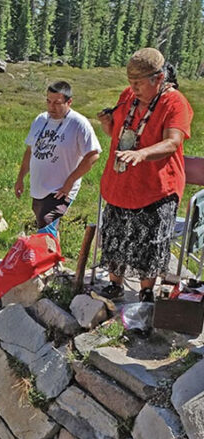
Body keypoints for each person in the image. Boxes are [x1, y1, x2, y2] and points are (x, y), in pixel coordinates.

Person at [97, 48, 193, 302]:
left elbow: (172, 142)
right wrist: (108, 126)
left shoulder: (175, 102)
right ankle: (114, 284)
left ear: (158, 79)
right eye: (130, 83)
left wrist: (142, 155)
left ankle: (146, 290)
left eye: (138, 83)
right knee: (116, 234)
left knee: (149, 242)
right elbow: (123, 134)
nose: (133, 89)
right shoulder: (128, 96)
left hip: (155, 187)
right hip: (121, 182)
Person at [15, 81, 101, 237]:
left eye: (57, 103)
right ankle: (54, 259)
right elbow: (30, 150)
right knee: (46, 227)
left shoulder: (79, 124)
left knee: (46, 225)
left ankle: (47, 260)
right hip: (39, 187)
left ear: (69, 102)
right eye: (48, 101)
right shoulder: (40, 120)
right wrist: (20, 177)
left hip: (60, 189)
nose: (51, 107)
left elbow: (93, 154)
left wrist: (70, 182)